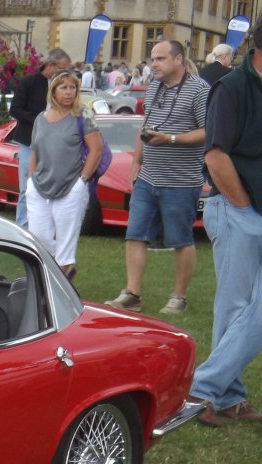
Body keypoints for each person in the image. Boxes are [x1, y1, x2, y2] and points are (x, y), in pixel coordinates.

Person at [186, 23, 262, 426]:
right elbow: (215, 156)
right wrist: (245, 206)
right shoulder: (231, 88)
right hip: (237, 208)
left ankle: (214, 388)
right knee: (235, 307)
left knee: (249, 310)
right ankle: (215, 392)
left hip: (253, 208)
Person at [107, 41, 208, 314]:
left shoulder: (199, 90)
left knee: (181, 239)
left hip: (181, 181)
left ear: (178, 59)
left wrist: (171, 139)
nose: (153, 64)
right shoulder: (154, 88)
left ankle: (179, 297)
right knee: (135, 234)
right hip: (148, 177)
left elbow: (208, 131)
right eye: (152, 59)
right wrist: (136, 161)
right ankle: (132, 294)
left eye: (160, 59)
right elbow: (146, 126)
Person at [25, 69, 103, 280]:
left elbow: (96, 149)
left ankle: (57, 284)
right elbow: (35, 151)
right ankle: (59, 275)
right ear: (53, 90)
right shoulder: (41, 118)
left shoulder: (83, 115)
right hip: (39, 186)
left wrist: (81, 181)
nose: (69, 92)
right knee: (39, 238)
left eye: (72, 88)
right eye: (63, 87)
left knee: (66, 244)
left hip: (70, 187)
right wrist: (30, 180)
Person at [8, 47, 72, 227]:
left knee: (51, 186)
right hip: (29, 142)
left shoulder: (63, 87)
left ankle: (47, 225)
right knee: (27, 187)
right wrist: (40, 120)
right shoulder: (29, 82)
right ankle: (23, 225)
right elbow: (15, 110)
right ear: (51, 65)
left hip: (55, 144)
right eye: (62, 68)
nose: (65, 73)